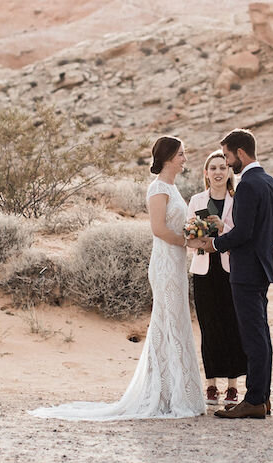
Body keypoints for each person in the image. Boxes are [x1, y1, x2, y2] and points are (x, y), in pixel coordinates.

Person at [32, 136, 205, 420]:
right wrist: (188, 242)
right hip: (164, 264)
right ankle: (164, 395)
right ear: (169, 157)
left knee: (176, 322)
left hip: (176, 264)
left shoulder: (173, 188)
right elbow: (159, 230)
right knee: (167, 322)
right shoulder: (158, 188)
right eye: (181, 155)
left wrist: (193, 232)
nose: (185, 159)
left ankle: (173, 391)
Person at [201, 128, 273, 420]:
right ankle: (262, 399)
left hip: (246, 270)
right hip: (262, 269)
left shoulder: (249, 184)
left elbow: (244, 232)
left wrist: (215, 244)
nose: (226, 162)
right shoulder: (272, 183)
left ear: (240, 152)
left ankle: (253, 400)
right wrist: (261, 247)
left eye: (227, 156)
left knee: (253, 337)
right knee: (261, 335)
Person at [188, 150, 246, 408]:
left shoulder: (238, 201)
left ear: (229, 171)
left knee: (232, 325)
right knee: (209, 327)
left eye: (223, 167)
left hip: (231, 270)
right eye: (213, 168)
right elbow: (189, 237)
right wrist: (202, 240)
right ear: (206, 173)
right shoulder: (197, 200)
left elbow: (242, 236)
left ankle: (233, 386)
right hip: (203, 270)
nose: (218, 172)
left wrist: (223, 230)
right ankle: (210, 384)